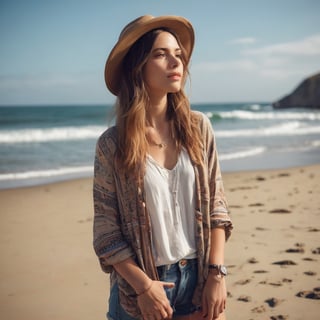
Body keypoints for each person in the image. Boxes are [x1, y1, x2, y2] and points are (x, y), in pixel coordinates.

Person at [93, 15, 233, 320]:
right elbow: (106, 231)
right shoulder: (112, 144)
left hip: (199, 280)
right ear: (137, 66)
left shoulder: (199, 128)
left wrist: (216, 274)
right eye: (161, 54)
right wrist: (144, 288)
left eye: (178, 54)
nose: (176, 61)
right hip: (142, 289)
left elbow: (218, 208)